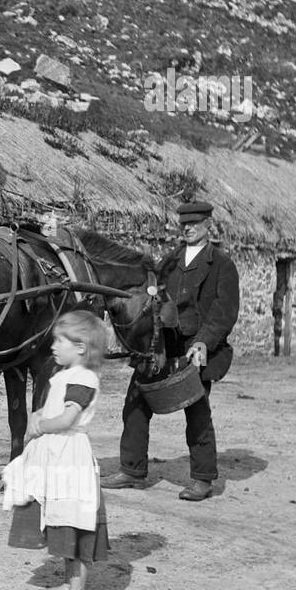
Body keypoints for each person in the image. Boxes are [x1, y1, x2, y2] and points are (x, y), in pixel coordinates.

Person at [105, 200, 240, 501]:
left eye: (195, 223)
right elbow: (152, 296)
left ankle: (203, 479)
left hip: (196, 347)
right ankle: (132, 469)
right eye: (184, 224)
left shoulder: (221, 264)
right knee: (135, 402)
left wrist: (204, 341)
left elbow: (224, 311)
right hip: (162, 344)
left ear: (208, 226)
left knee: (197, 411)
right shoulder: (169, 261)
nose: (188, 228)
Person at [0, 310, 108, 590]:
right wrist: (38, 416)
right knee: (61, 519)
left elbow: (69, 417)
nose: (53, 345)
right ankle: (69, 581)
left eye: (61, 341)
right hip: (56, 456)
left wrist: (41, 427)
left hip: (70, 458)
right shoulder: (64, 375)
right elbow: (54, 410)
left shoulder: (84, 378)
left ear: (81, 347)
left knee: (75, 521)